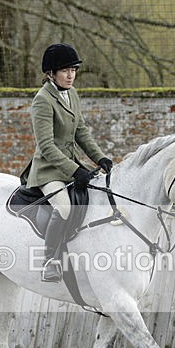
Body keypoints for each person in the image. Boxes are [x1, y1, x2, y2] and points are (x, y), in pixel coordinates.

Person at [24, 43, 113, 282]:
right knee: (64, 207)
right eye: (65, 70)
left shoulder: (71, 93)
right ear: (51, 73)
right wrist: (75, 170)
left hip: (71, 165)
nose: (71, 75)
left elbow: (81, 131)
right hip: (48, 170)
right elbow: (46, 146)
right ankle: (49, 261)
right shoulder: (42, 100)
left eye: (73, 70)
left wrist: (99, 157)